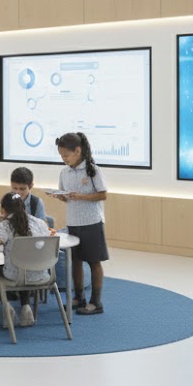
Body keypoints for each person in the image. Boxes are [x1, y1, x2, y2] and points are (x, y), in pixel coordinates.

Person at [53, 131, 108, 316]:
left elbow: (103, 194)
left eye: (66, 155)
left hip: (92, 222)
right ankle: (79, 297)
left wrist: (81, 196)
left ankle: (96, 302)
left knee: (93, 262)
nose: (64, 159)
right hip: (73, 222)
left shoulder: (93, 170)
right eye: (61, 156)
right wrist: (59, 196)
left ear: (78, 151)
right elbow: (66, 197)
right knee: (75, 261)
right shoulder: (64, 172)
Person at [0, 191, 52, 328]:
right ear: (24, 207)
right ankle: (26, 307)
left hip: (17, 275)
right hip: (41, 274)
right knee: (25, 264)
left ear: (3, 210)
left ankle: (7, 306)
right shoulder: (40, 223)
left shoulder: (6, 225)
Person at [10, 166, 64, 291]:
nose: (18, 192)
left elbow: (43, 227)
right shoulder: (8, 200)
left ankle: (24, 286)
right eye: (15, 188)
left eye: (22, 189)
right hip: (14, 245)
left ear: (31, 186)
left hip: (33, 246)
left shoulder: (36, 203)